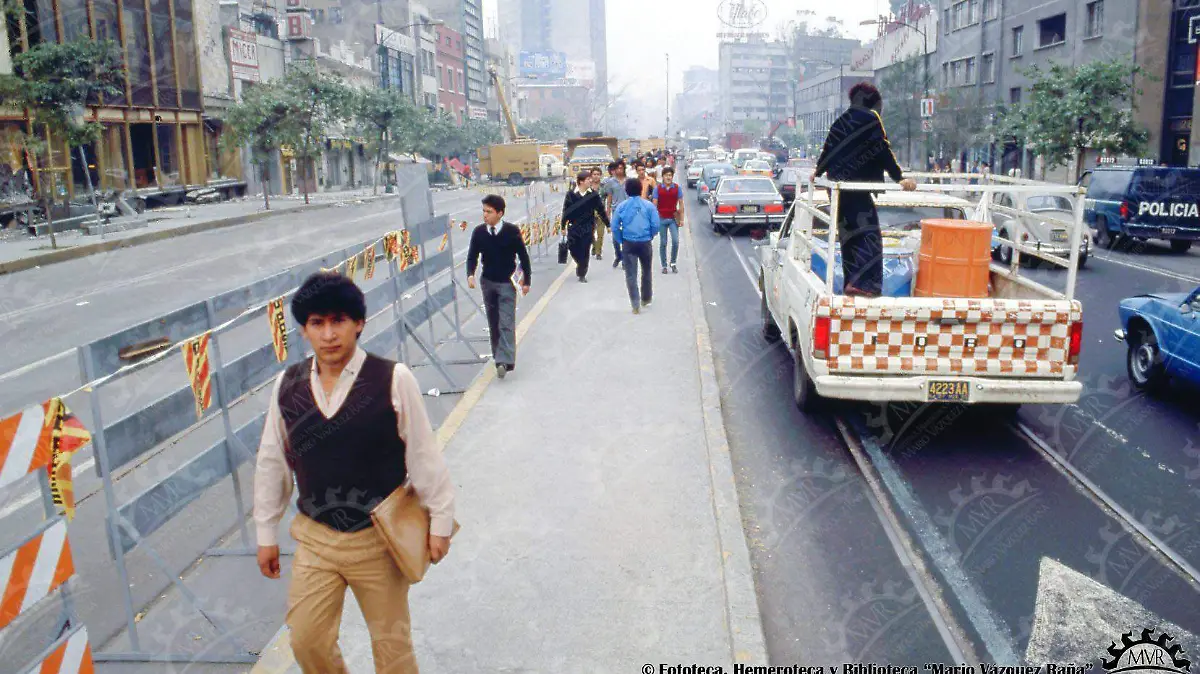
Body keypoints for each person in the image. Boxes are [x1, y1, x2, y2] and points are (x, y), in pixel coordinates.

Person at [254, 272, 455, 674]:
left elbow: (423, 455)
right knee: (307, 640)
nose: (329, 334)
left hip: (378, 540)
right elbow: (272, 460)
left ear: (359, 323)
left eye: (339, 321)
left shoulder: (392, 379)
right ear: (304, 329)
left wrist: (441, 522)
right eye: (317, 323)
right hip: (316, 538)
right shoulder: (287, 386)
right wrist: (265, 532)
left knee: (392, 650)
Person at [812, 81, 917, 297]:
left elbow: (829, 148)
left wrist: (818, 172)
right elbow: (883, 151)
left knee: (849, 236)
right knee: (870, 236)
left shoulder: (840, 121)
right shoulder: (871, 119)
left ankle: (852, 282)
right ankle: (866, 285)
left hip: (837, 188)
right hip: (856, 188)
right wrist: (900, 177)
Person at [467, 194, 532, 379]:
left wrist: (527, 281)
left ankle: (505, 360)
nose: (485, 215)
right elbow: (472, 256)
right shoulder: (479, 232)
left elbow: (523, 257)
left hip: (507, 284)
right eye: (484, 211)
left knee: (506, 322)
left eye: (489, 212)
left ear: (500, 213)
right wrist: (470, 274)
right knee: (494, 322)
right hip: (487, 283)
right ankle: (499, 357)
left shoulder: (512, 231)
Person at [612, 177, 661, 314]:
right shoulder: (649, 206)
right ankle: (646, 298)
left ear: (626, 191)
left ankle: (635, 304)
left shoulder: (621, 207)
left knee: (630, 274)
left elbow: (614, 226)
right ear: (641, 189)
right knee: (646, 271)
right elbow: (655, 224)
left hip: (628, 242)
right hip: (645, 242)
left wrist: (621, 240)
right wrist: (650, 235)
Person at [561, 171, 609, 283]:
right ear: (581, 181)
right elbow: (565, 211)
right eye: (588, 179)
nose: (590, 181)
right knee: (573, 248)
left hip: (588, 226)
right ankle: (580, 263)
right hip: (573, 226)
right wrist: (563, 226)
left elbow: (601, 210)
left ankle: (582, 273)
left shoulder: (593, 195)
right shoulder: (571, 194)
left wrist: (608, 224)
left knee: (585, 249)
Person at [652, 167, 684, 274]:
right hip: (661, 218)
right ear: (663, 177)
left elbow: (681, 204)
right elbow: (654, 204)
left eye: (670, 175)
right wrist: (653, 219)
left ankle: (673, 263)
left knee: (675, 241)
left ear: (672, 177)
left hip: (673, 218)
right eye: (666, 175)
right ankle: (664, 265)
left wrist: (682, 219)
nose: (668, 177)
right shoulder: (658, 189)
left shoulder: (677, 188)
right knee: (663, 242)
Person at [601, 161, 630, 267]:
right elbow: (609, 197)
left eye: (621, 168)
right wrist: (607, 212)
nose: (619, 170)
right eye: (617, 168)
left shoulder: (628, 181)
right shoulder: (611, 182)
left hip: (627, 211)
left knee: (626, 235)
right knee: (615, 236)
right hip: (616, 210)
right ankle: (618, 255)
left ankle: (625, 259)